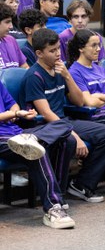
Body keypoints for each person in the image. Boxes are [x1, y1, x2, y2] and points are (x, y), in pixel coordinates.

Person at [21, 28, 105, 203]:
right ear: (39, 53)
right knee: (70, 140)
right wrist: (73, 133)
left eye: (58, 48)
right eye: (52, 51)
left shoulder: (60, 70)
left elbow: (79, 101)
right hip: (44, 126)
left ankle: (81, 184)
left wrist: (67, 76)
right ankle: (57, 195)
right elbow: (46, 113)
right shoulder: (34, 76)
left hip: (64, 121)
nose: (58, 53)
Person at [0, 79, 76, 228]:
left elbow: (12, 104)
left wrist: (20, 114)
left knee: (65, 128)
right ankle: (54, 207)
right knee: (34, 151)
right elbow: (12, 110)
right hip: (2, 139)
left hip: (19, 133)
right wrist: (13, 113)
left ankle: (35, 138)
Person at [0, 3, 27, 70]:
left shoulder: (11, 40)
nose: (11, 26)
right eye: (7, 22)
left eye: (11, 22)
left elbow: (24, 67)